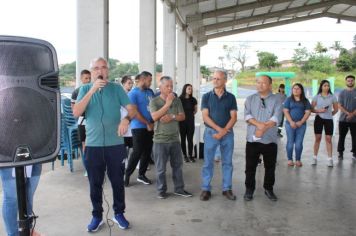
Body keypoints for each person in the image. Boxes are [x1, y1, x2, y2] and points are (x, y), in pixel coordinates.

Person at [73, 57, 136, 232]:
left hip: (115, 144)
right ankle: (97, 216)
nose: (100, 71)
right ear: (91, 72)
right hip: (93, 145)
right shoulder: (85, 89)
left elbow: (132, 109)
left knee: (117, 181)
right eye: (96, 68)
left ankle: (119, 213)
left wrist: (126, 119)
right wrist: (92, 90)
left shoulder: (116, 89)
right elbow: (76, 112)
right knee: (95, 183)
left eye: (103, 67)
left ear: (108, 70)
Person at [149, 76, 193, 199]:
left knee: (178, 167)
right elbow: (154, 117)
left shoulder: (177, 100)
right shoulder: (154, 101)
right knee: (160, 169)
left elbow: (182, 116)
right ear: (161, 87)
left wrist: (172, 117)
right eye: (167, 86)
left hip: (174, 139)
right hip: (160, 141)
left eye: (171, 86)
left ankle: (179, 189)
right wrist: (168, 104)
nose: (170, 89)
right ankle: (161, 190)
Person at [200, 70, 237, 201]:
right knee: (208, 162)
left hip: (227, 134)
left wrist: (223, 131)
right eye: (213, 78)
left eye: (218, 79)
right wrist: (218, 130)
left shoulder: (231, 97)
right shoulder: (206, 97)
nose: (215, 81)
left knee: (227, 162)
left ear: (225, 80)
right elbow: (205, 116)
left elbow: (234, 117)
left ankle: (227, 189)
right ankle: (206, 189)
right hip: (211, 133)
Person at [244, 75, 282, 202]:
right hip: (252, 139)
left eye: (263, 83)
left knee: (270, 166)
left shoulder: (277, 99)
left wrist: (262, 128)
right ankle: (249, 189)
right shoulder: (250, 99)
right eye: (258, 82)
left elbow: (276, 118)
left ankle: (268, 188)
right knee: (250, 167)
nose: (260, 85)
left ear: (270, 85)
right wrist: (258, 125)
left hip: (270, 139)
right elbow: (247, 115)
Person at [124, 71, 155, 187]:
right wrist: (147, 123)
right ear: (143, 79)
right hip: (138, 127)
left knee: (147, 152)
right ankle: (127, 175)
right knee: (137, 152)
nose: (150, 82)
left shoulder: (150, 92)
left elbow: (153, 107)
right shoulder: (133, 94)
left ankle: (141, 175)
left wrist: (152, 123)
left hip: (150, 126)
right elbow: (134, 112)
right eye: (149, 80)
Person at [0, 165, 44, 236]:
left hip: (35, 155)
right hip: (10, 155)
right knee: (11, 198)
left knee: (28, 194)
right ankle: (13, 234)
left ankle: (28, 230)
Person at [283, 83, 311, 167]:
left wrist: (301, 121)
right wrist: (291, 122)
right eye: (294, 88)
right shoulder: (288, 100)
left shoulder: (305, 101)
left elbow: (308, 112)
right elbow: (285, 111)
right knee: (290, 142)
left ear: (301, 90)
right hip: (289, 124)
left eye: (298, 88)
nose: (295, 90)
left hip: (301, 125)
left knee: (299, 143)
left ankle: (298, 160)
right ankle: (290, 159)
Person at [311, 80, 338, 167]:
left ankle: (330, 159)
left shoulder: (333, 97)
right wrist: (319, 111)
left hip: (329, 120)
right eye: (325, 85)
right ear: (321, 87)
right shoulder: (316, 97)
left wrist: (330, 114)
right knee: (318, 138)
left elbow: (336, 109)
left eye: (328, 86)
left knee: (328, 139)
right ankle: (314, 157)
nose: (327, 87)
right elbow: (311, 109)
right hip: (318, 119)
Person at [70, 69, 91, 154]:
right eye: (86, 78)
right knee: (84, 143)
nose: (88, 80)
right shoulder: (76, 92)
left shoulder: (95, 90)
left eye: (90, 78)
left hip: (94, 120)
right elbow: (73, 109)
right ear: (81, 79)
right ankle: (87, 164)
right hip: (82, 121)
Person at [337, 75, 356, 160]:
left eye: (352, 80)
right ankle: (340, 152)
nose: (350, 82)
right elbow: (339, 106)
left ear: (354, 81)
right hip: (343, 119)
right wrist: (348, 113)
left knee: (355, 137)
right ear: (346, 81)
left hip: (355, 119)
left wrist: (352, 114)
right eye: (348, 80)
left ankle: (355, 153)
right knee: (342, 136)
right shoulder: (342, 92)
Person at [179, 84, 198, 163]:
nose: (190, 90)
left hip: (190, 121)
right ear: (185, 89)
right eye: (189, 89)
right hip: (182, 122)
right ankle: (184, 155)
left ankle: (190, 155)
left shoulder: (193, 99)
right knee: (183, 139)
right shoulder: (179, 99)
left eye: (191, 89)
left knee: (190, 139)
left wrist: (191, 115)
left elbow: (195, 110)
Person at [120, 75, 134, 162]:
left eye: (132, 83)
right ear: (123, 84)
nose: (131, 85)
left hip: (131, 122)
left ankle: (133, 163)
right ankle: (124, 162)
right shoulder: (119, 94)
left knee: (132, 145)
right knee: (123, 145)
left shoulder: (132, 94)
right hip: (122, 122)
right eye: (129, 83)